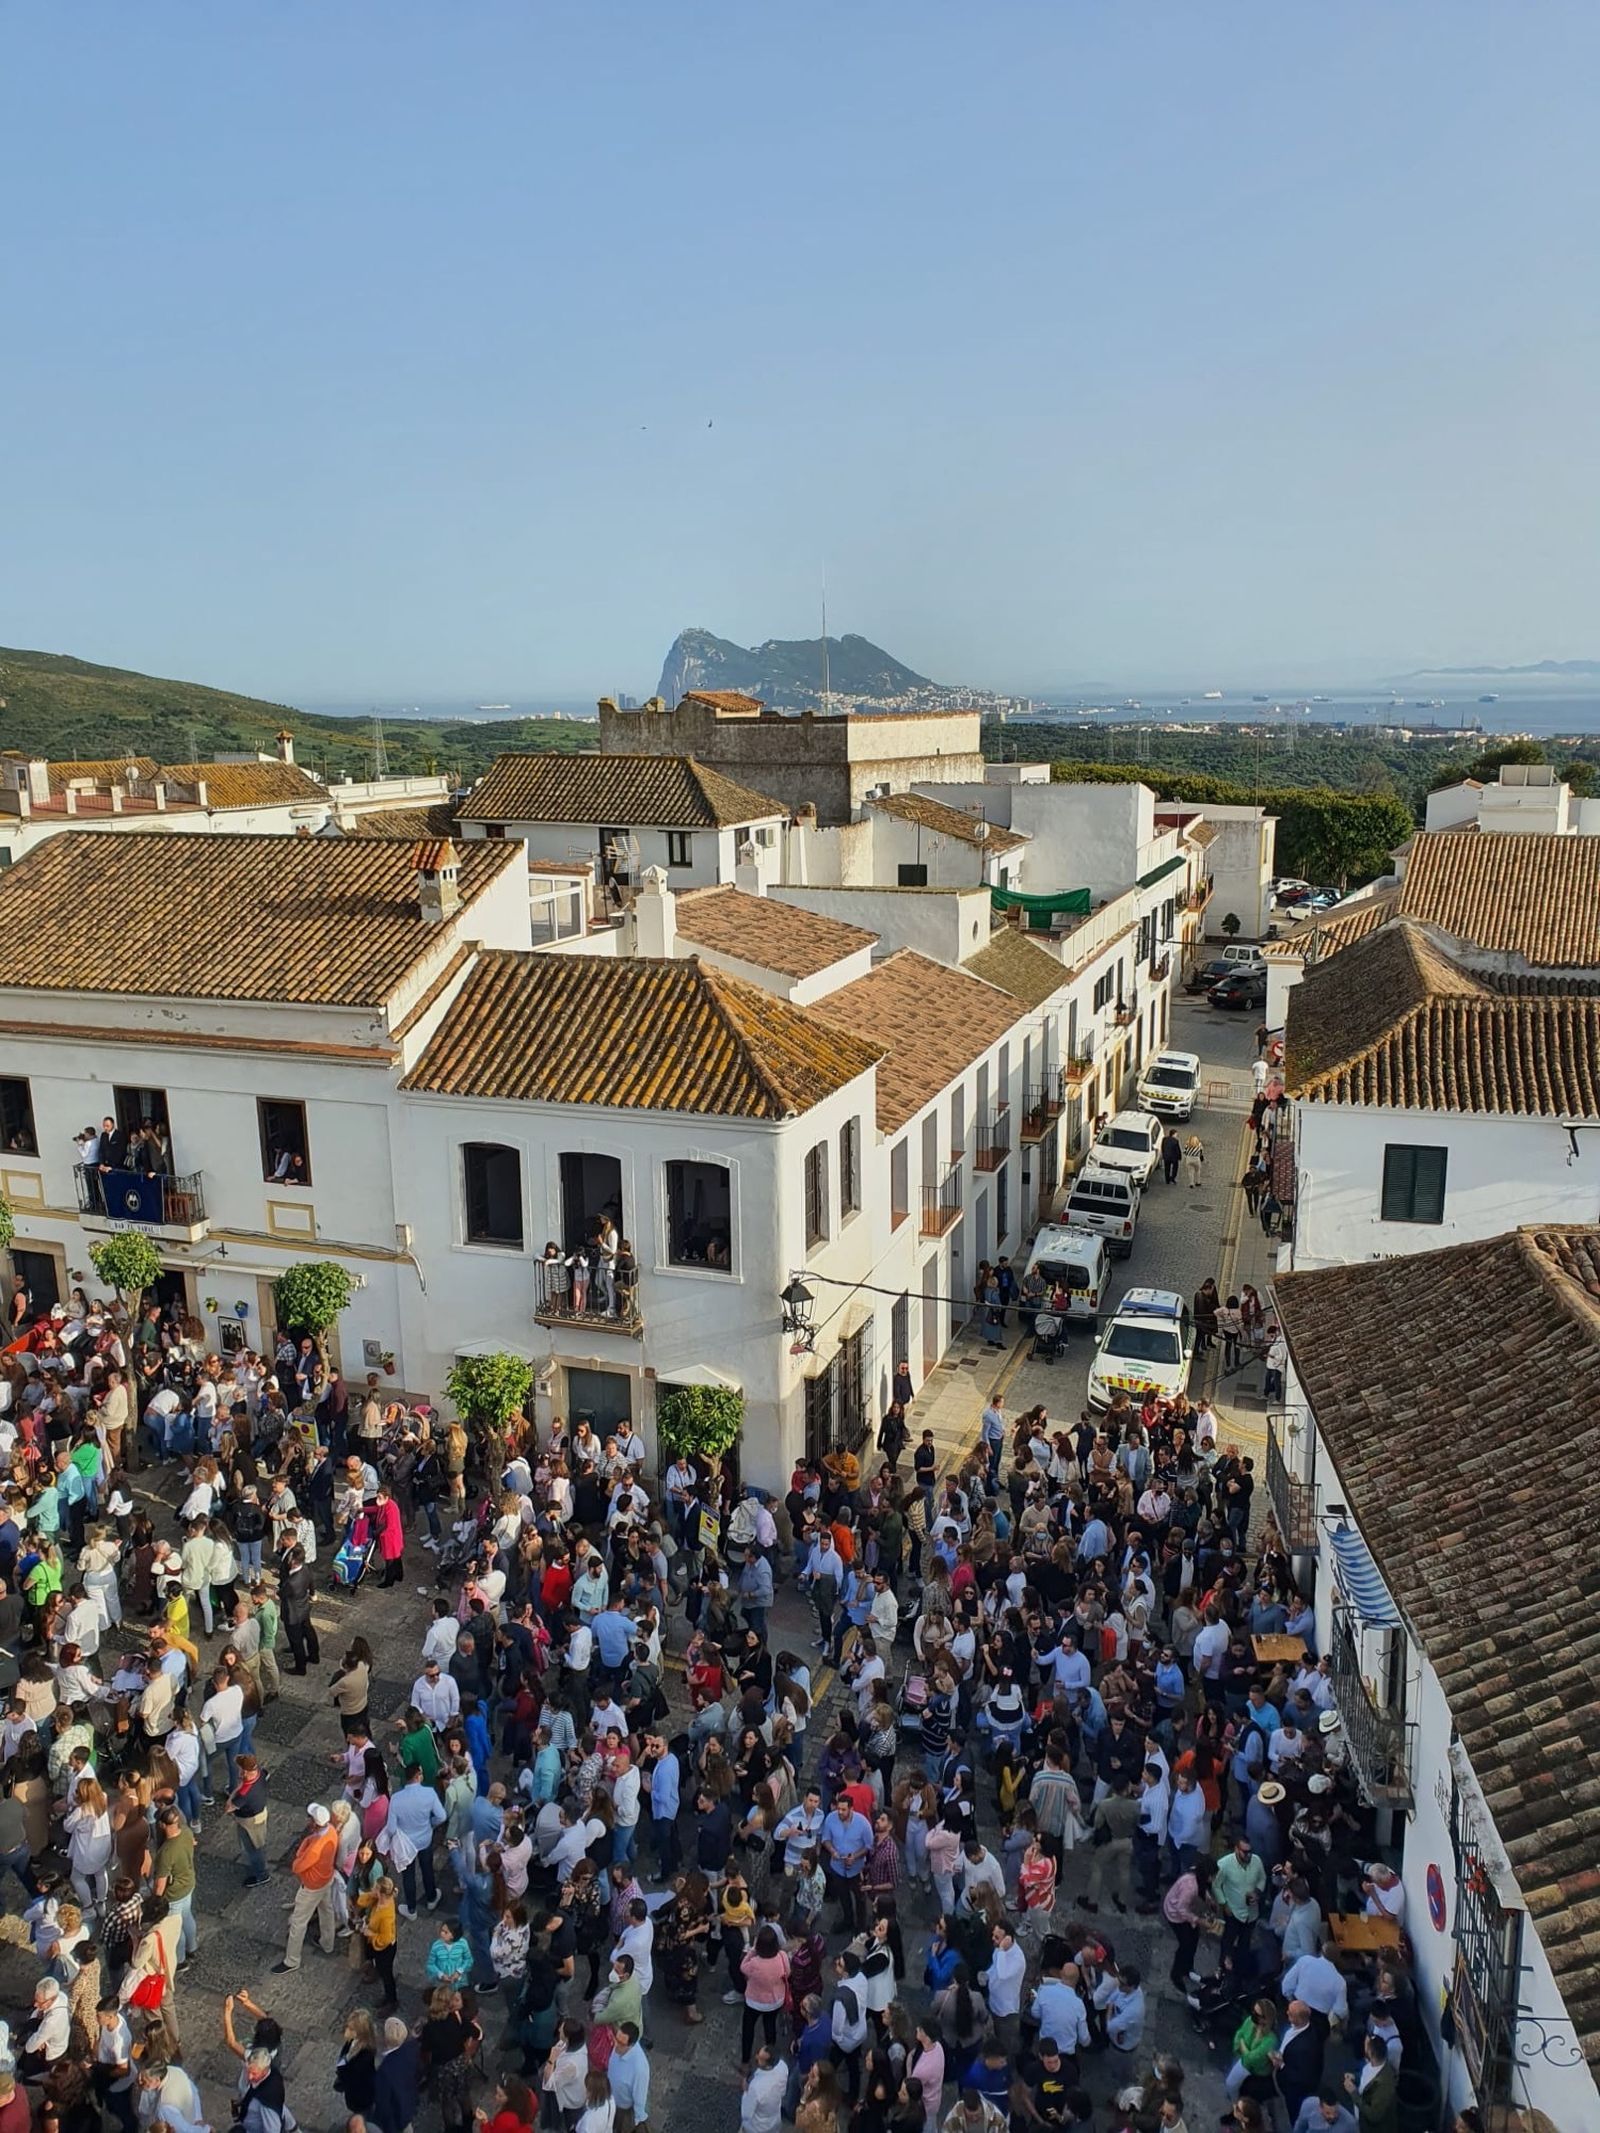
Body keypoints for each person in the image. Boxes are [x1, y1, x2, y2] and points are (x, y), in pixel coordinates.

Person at [274, 1801, 339, 1971]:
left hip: (311, 1887)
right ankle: (327, 1943)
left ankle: (292, 1960)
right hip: (326, 1878)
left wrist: (302, 1849)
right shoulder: (331, 1831)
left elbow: (297, 1866)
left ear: (314, 1823)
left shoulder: (314, 1848)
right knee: (327, 1910)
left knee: (298, 1922)